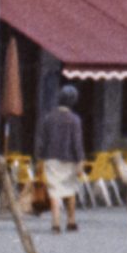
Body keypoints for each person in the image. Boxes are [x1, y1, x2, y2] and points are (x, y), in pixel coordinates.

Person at [35, 84, 87, 234]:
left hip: (51, 158)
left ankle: (56, 223)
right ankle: (71, 221)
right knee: (70, 190)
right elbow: (77, 142)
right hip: (70, 159)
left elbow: (42, 140)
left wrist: (39, 158)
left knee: (54, 192)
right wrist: (80, 160)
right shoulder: (75, 120)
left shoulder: (48, 118)